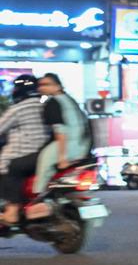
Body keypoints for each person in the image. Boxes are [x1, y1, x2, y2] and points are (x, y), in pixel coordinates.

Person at [0, 75, 51, 225]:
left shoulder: (18, 108)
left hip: (22, 153)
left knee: (5, 166)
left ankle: (12, 210)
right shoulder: (45, 105)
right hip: (44, 152)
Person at [33, 73, 92, 194]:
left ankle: (37, 196)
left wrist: (62, 158)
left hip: (69, 146)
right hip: (83, 146)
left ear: (58, 86)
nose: (41, 88)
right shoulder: (70, 100)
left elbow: (60, 132)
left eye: (46, 84)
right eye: (40, 85)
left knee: (44, 164)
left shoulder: (53, 103)